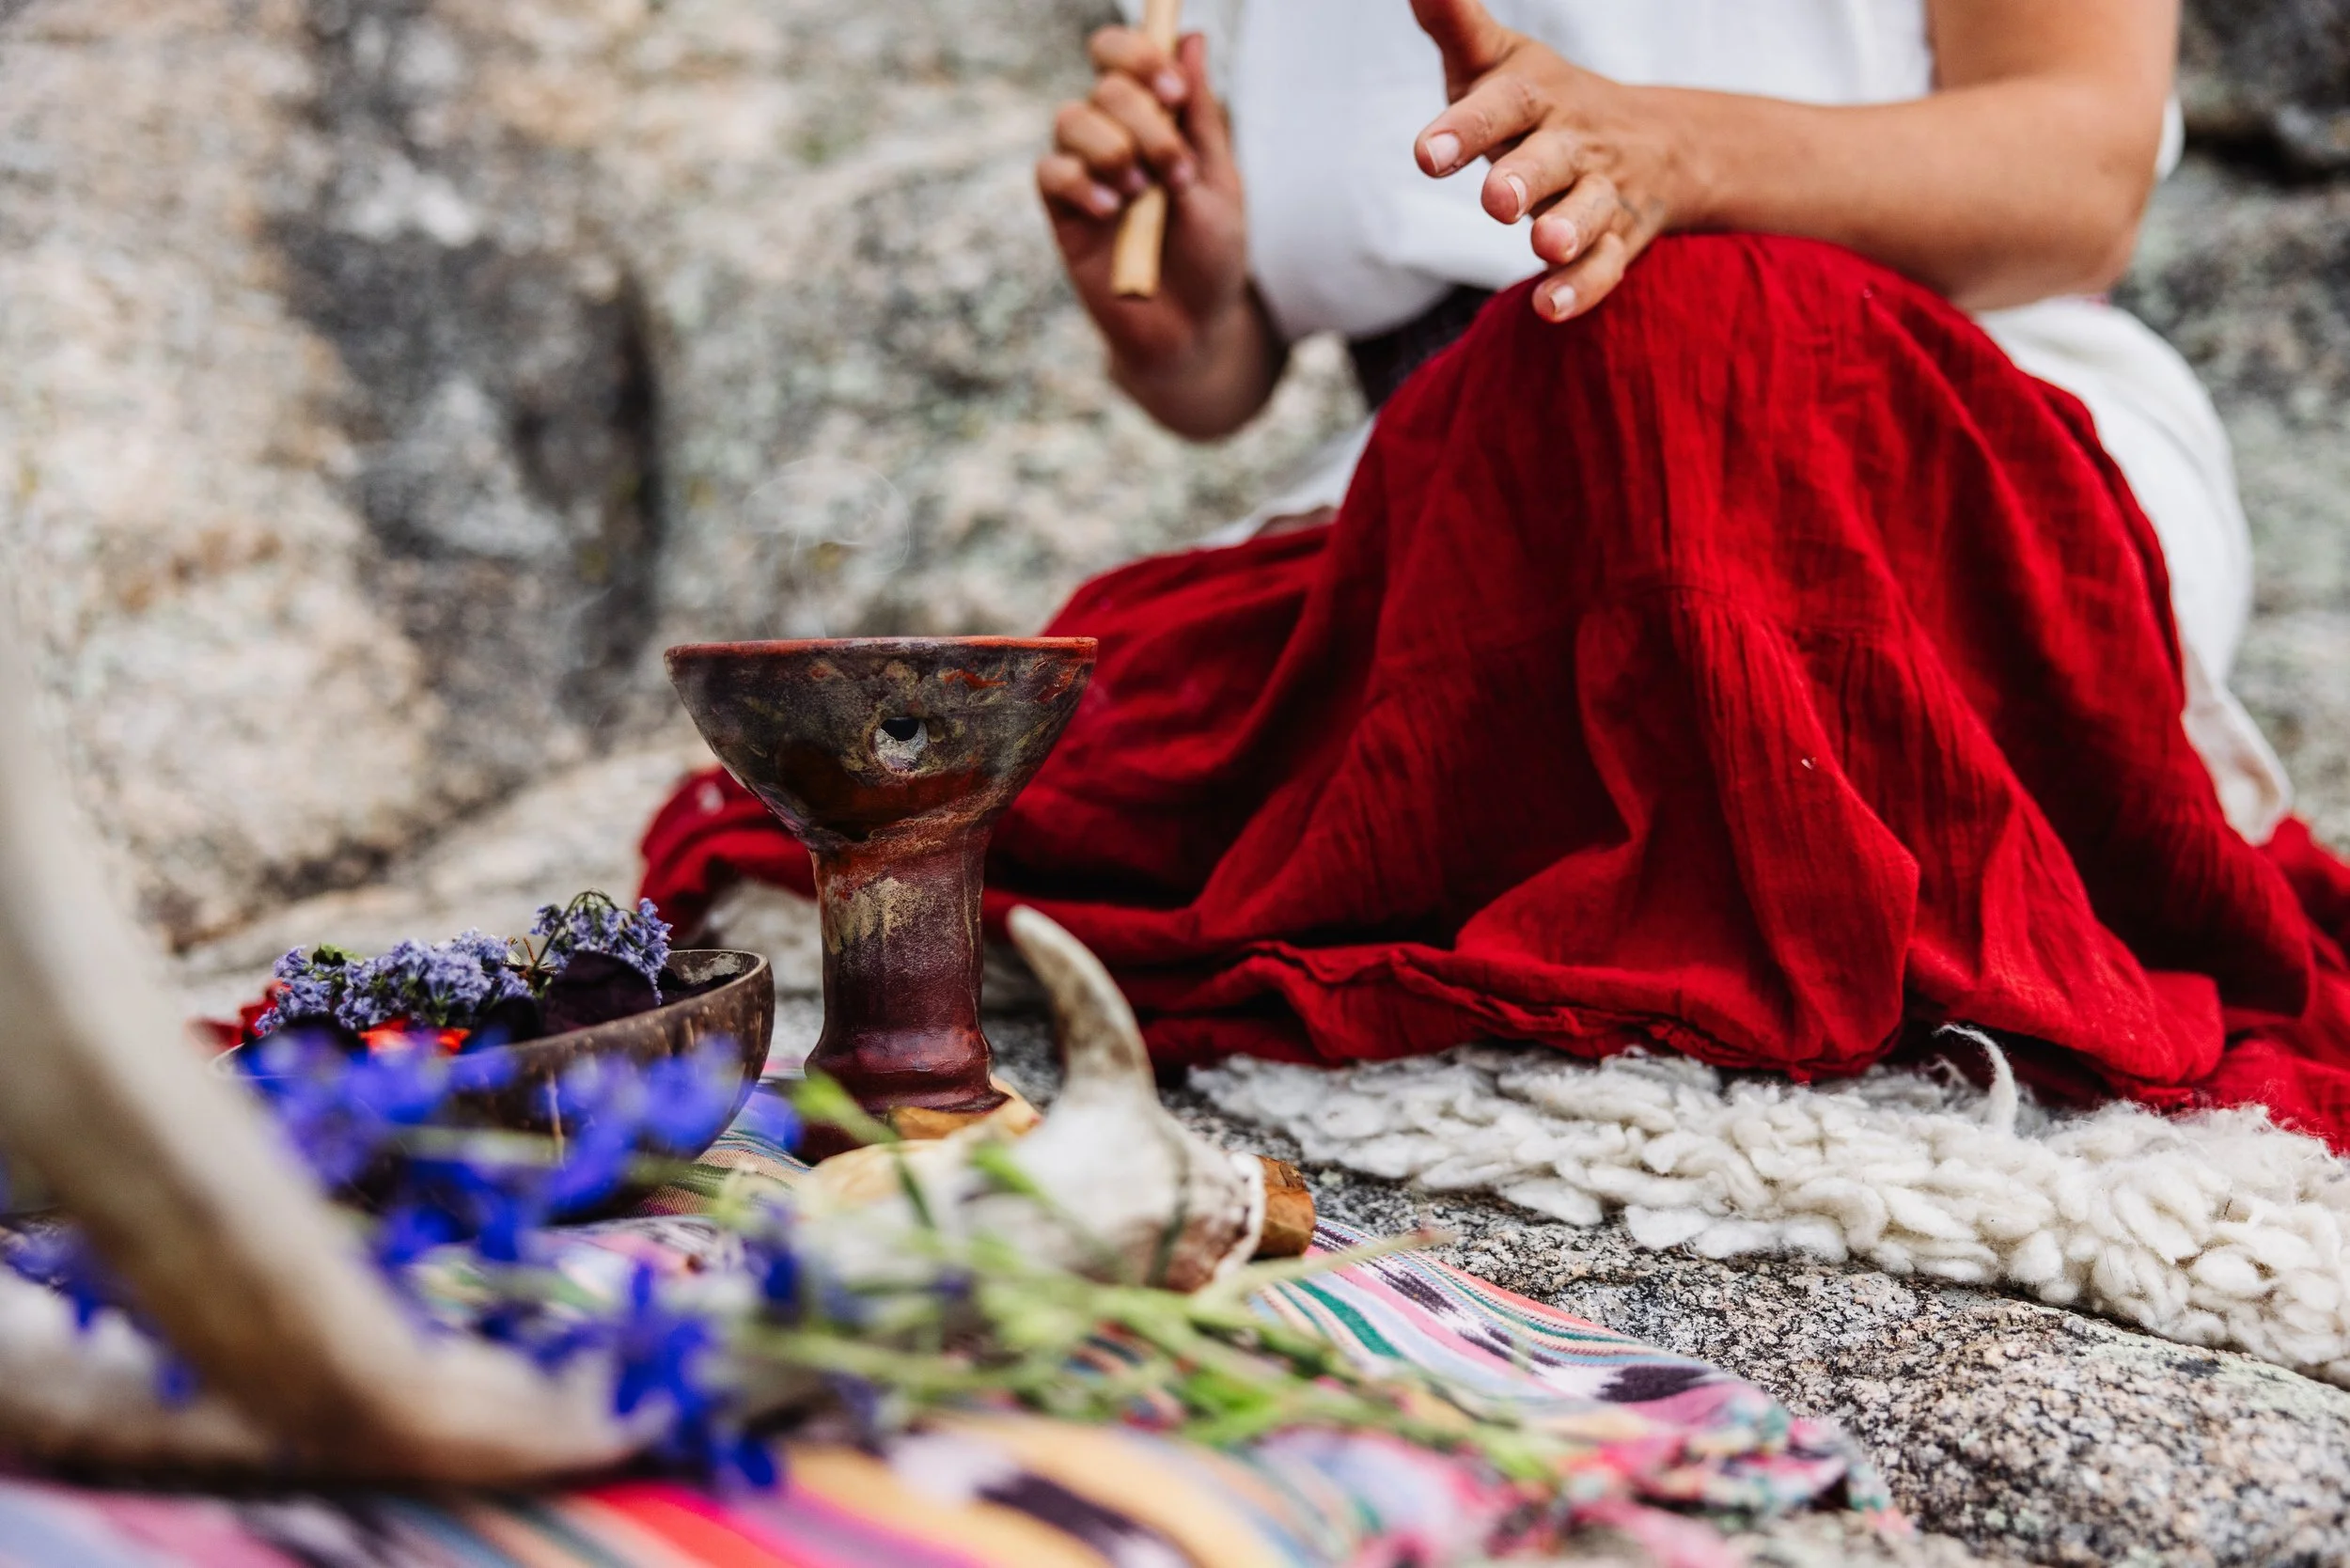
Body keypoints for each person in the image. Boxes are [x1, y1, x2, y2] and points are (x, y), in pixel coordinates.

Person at [643, 0, 2350, 1145]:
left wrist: (1679, 157)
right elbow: (1224, 378)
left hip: (1904, 402)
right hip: (1446, 470)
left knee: (1674, 347)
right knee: (1101, 712)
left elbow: (2085, 167)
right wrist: (1179, 295)